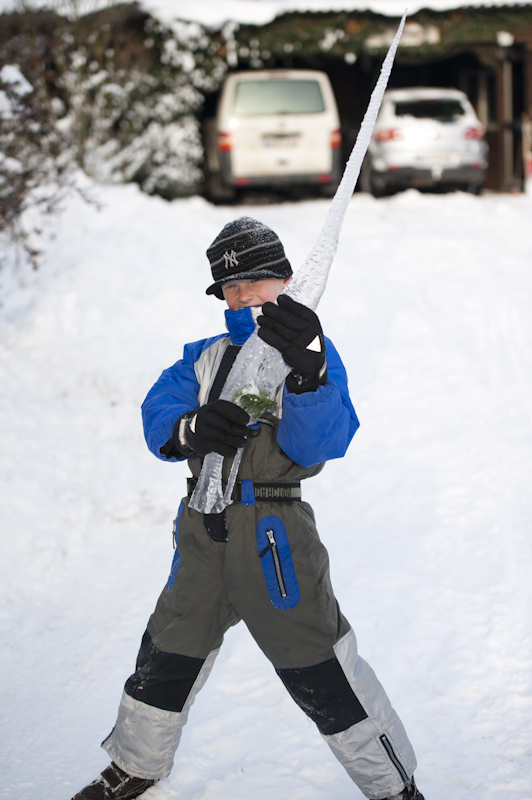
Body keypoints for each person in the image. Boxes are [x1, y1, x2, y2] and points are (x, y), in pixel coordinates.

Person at [73, 217, 424, 800]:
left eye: (257, 282)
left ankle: (391, 784)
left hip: (275, 537)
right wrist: (189, 428)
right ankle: (135, 765)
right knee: (167, 651)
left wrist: (308, 375)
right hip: (202, 532)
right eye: (232, 288)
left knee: (321, 665)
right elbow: (158, 412)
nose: (245, 295)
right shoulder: (203, 357)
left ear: (285, 280)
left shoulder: (310, 353)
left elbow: (321, 445)